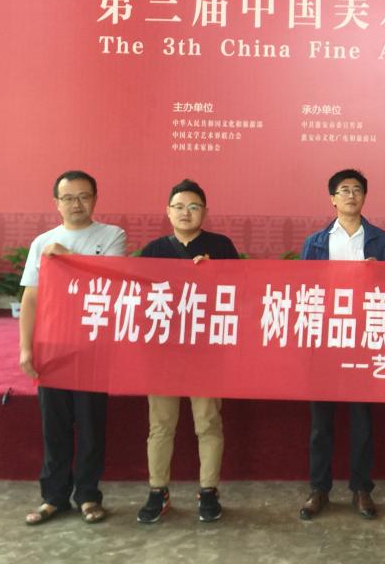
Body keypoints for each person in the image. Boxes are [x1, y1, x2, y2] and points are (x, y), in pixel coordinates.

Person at [19, 170, 127, 525]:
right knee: (55, 427)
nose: (76, 204)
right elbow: (31, 298)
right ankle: (53, 497)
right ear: (56, 203)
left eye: (83, 196)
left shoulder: (112, 236)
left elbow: (108, 280)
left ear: (95, 199)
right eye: (68, 198)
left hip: (93, 347)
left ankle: (88, 495)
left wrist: (65, 256)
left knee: (91, 426)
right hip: (52, 346)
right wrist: (26, 348)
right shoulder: (42, 242)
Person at [136, 179, 239, 524]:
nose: (185, 212)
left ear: (205, 212)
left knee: (207, 423)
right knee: (160, 425)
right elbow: (138, 300)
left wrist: (216, 273)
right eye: (179, 206)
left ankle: (208, 490)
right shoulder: (153, 250)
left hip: (206, 351)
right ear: (167, 212)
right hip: (163, 352)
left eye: (193, 207)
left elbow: (242, 292)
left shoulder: (221, 246)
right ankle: (158, 490)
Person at [298, 169, 385, 521]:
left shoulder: (380, 240)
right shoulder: (315, 242)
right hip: (325, 339)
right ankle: (318, 489)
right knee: (320, 423)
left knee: (362, 420)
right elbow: (302, 291)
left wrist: (381, 273)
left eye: (357, 190)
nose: (351, 195)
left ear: (364, 197)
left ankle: (361, 488)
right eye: (344, 190)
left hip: (364, 339)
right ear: (332, 198)